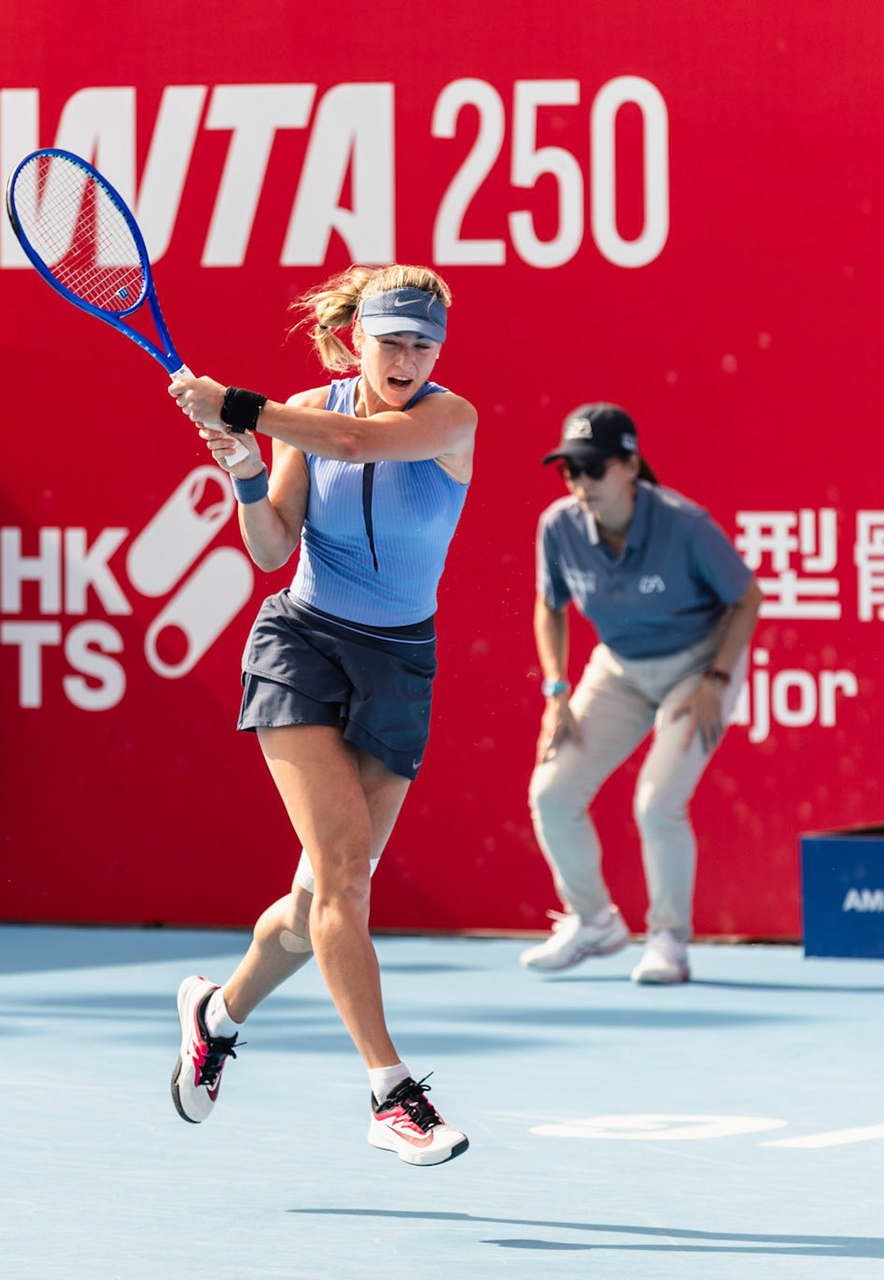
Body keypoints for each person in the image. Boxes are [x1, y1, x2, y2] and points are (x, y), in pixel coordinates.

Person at [164, 266, 477, 1166]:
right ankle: (391, 1093)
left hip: (399, 667)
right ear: (355, 342)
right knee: (344, 872)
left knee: (315, 912)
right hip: (301, 646)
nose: (408, 359)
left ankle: (216, 1015)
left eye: (424, 345)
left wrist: (238, 408)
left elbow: (356, 441)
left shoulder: (451, 421)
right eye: (392, 342)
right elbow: (271, 547)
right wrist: (247, 472)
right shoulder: (302, 411)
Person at [521, 404, 762, 983]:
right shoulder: (558, 526)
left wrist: (717, 680)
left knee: (656, 803)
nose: (580, 483)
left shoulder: (685, 524)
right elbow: (550, 606)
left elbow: (747, 598)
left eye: (594, 468)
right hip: (619, 669)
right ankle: (593, 921)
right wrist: (557, 691)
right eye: (570, 471)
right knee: (551, 793)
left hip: (697, 669)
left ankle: (669, 940)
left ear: (630, 466)